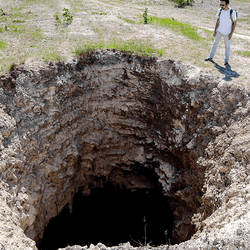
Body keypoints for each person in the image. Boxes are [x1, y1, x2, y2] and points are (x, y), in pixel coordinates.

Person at [205, 0, 237, 66]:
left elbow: (234, 23)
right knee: (215, 44)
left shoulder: (232, 12)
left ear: (227, 4)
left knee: (227, 47)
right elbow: (218, 21)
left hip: (227, 33)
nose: (221, 6)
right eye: (221, 5)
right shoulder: (220, 10)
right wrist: (215, 31)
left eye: (223, 5)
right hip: (219, 31)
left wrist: (231, 33)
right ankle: (210, 57)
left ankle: (226, 61)